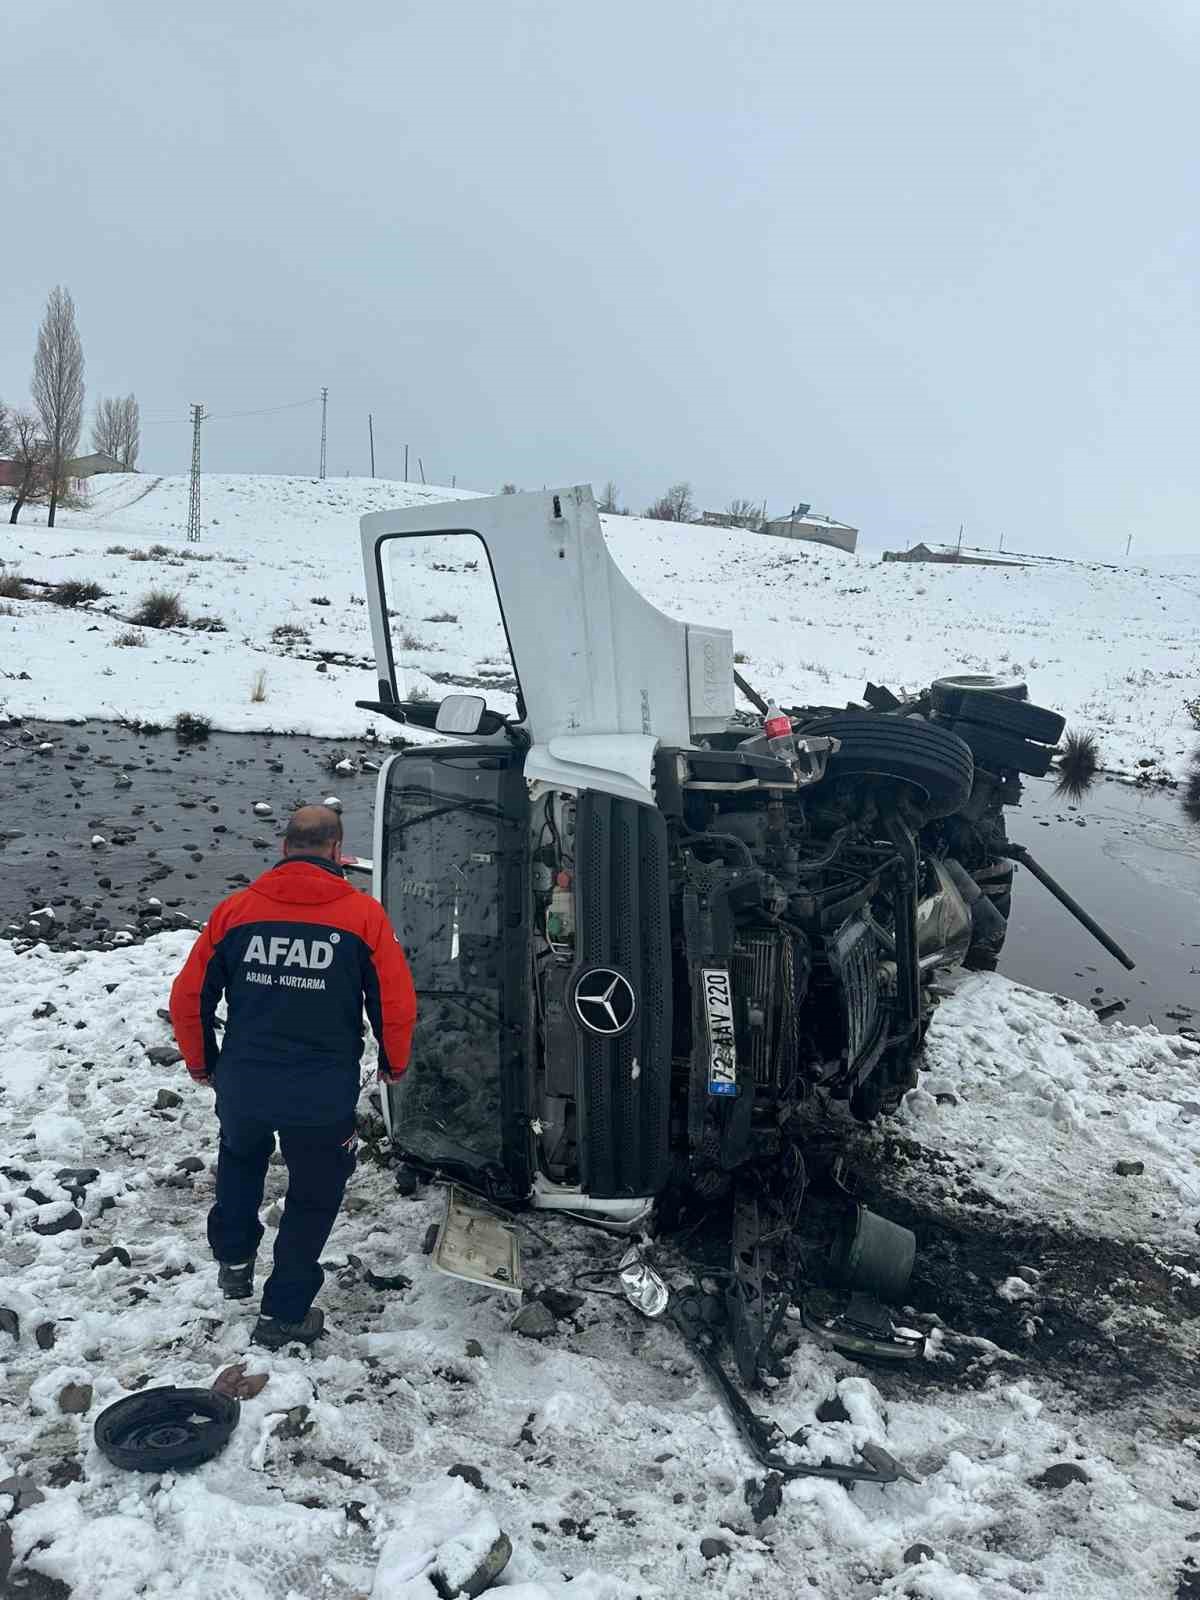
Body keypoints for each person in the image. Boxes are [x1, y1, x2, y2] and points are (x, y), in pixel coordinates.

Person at [169, 803, 416, 1349]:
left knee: (239, 1158)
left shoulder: (235, 912)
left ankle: (234, 1256)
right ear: (337, 851)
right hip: (320, 1093)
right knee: (313, 1193)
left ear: (284, 848)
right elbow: (395, 1005)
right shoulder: (364, 917)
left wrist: (200, 1061)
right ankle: (283, 1312)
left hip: (245, 1082)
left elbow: (189, 998)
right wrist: (393, 1063)